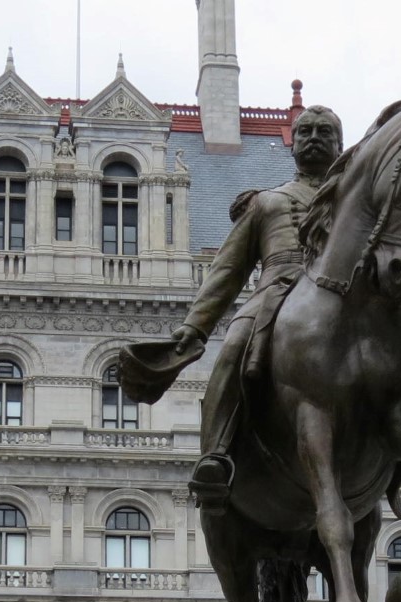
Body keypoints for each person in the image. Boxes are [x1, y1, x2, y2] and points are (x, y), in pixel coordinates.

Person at [118, 105, 344, 510]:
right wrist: (195, 327)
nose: (313, 138)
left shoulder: (355, 200)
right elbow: (228, 269)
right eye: (305, 131)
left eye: (324, 132)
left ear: (340, 145)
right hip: (279, 289)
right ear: (293, 146)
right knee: (236, 343)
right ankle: (217, 454)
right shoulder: (267, 203)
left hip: (346, 294)